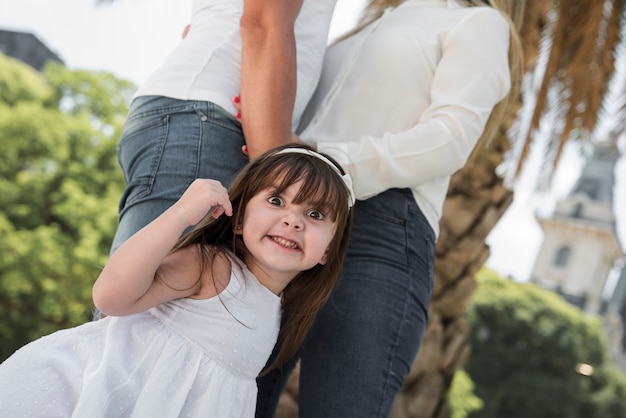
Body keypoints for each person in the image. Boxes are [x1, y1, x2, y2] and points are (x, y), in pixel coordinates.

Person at [254, 0, 524, 417]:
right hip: (294, 215)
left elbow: (449, 138)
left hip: (379, 229)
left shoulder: (476, 22)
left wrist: (323, 162)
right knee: (234, 397)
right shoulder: (369, 23)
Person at [0, 145, 354, 417]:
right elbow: (110, 297)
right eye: (277, 200)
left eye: (315, 213)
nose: (293, 221)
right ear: (240, 220)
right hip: (76, 395)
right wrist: (182, 213)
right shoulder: (212, 268)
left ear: (328, 251)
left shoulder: (277, 311)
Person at [109, 0, 337, 254]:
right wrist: (277, 181)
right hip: (211, 122)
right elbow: (261, 23)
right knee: (155, 285)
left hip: (204, 118)